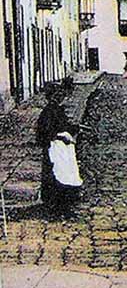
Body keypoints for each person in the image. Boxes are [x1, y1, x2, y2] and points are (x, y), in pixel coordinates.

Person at [35, 83, 82, 216]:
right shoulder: (48, 112)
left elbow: (63, 125)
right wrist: (61, 138)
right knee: (57, 176)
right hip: (53, 149)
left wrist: (74, 128)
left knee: (64, 174)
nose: (61, 97)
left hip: (61, 150)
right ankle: (57, 207)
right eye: (57, 95)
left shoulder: (57, 110)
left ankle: (61, 206)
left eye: (61, 95)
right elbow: (44, 133)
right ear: (51, 97)